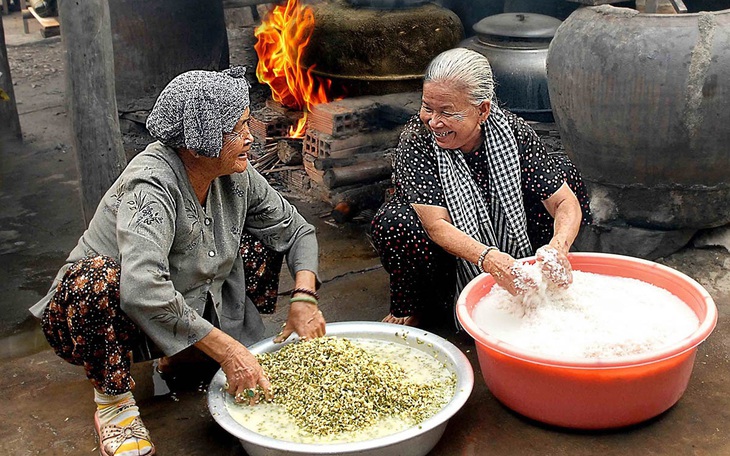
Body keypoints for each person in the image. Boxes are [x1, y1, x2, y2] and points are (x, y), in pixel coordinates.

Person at [29, 67, 326, 456]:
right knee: (98, 280)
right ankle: (114, 404)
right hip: (112, 315)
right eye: (237, 129)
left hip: (183, 293)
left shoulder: (237, 174)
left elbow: (296, 230)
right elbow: (142, 287)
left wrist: (304, 295)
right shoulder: (152, 186)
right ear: (197, 143)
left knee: (258, 239)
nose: (250, 137)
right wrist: (229, 350)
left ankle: (185, 352)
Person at [371, 48, 592, 327]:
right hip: (447, 258)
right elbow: (436, 226)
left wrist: (557, 248)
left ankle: (544, 275)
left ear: (483, 110)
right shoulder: (418, 140)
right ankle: (423, 306)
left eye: (447, 112)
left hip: (515, 238)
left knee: (564, 173)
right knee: (396, 222)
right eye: (428, 107)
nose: (434, 122)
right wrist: (489, 259)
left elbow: (564, 203)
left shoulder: (514, 132)